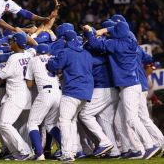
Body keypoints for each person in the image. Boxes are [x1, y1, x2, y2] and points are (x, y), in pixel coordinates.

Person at [83, 21, 160, 159]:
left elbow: (95, 44)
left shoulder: (116, 45)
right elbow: (117, 30)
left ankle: (150, 145)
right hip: (132, 85)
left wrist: (90, 31)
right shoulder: (131, 41)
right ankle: (136, 149)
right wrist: (103, 30)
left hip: (129, 87)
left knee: (131, 119)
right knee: (120, 121)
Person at [0, 32, 36, 160]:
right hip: (27, 95)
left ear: (16, 43)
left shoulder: (13, 58)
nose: (10, 43)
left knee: (4, 123)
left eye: (12, 41)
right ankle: (16, 152)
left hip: (16, 95)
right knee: (7, 122)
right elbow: (34, 46)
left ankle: (25, 151)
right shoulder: (29, 54)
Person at [46, 30, 94, 162]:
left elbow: (54, 66)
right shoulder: (86, 53)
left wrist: (49, 61)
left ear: (65, 41)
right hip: (86, 92)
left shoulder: (66, 52)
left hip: (72, 91)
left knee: (64, 121)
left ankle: (67, 153)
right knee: (72, 120)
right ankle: (73, 149)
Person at [25, 44, 62, 161]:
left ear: (37, 52)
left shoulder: (33, 60)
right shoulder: (53, 59)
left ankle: (39, 154)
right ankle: (66, 149)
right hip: (58, 93)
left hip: (45, 93)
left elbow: (29, 85)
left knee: (32, 123)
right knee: (51, 124)